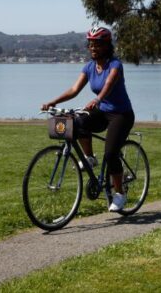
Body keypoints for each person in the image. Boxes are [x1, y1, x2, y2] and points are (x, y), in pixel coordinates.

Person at [41, 26, 135, 212]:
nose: (93, 48)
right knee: (78, 121)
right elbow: (74, 90)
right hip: (102, 112)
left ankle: (120, 194)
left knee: (110, 153)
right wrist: (53, 102)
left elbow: (108, 84)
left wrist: (98, 99)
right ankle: (90, 158)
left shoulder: (115, 65)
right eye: (91, 44)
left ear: (107, 46)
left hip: (121, 115)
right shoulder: (90, 67)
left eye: (98, 44)